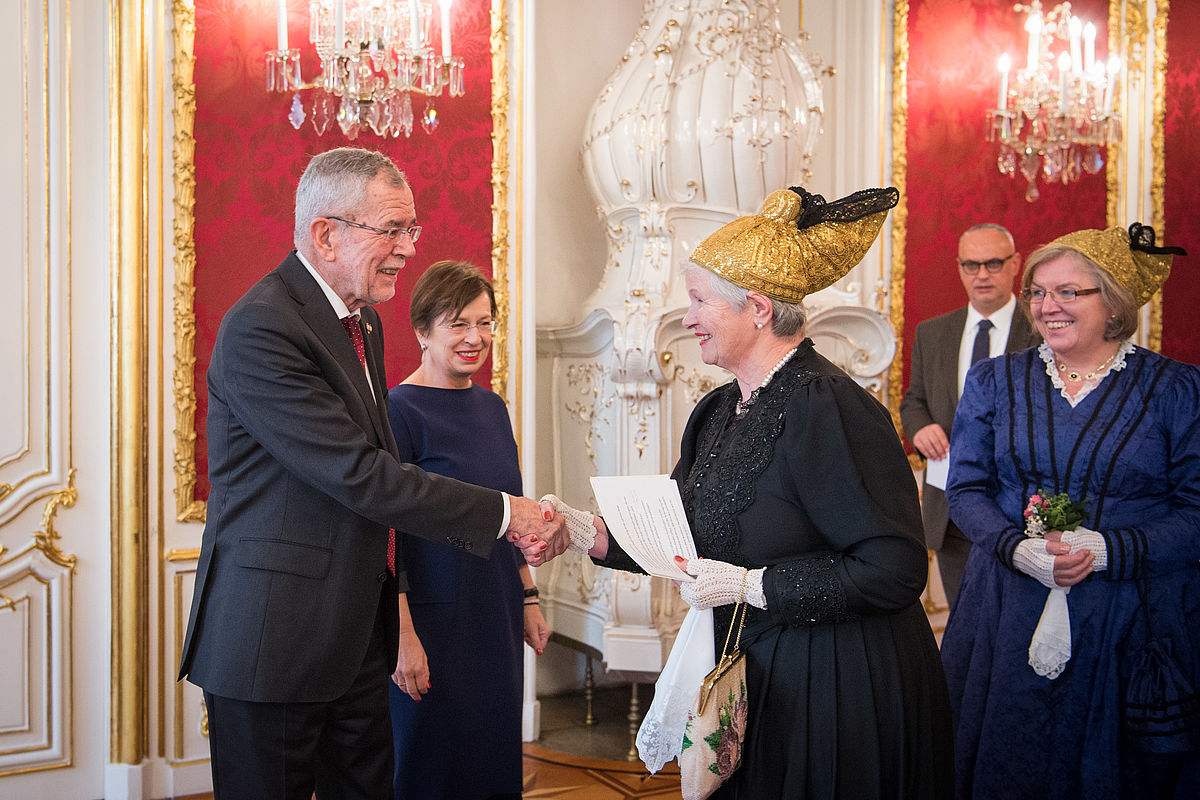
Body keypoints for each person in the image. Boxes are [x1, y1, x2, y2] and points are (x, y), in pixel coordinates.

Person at [541, 187, 955, 798]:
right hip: (753, 675)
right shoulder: (718, 408)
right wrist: (580, 531)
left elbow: (893, 570)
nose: (688, 318)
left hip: (836, 687)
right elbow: (679, 534)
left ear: (757, 308)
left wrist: (749, 585)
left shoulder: (827, 406)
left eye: (700, 300)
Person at [177, 148, 563, 800]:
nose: (409, 249)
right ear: (327, 234)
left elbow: (378, 478)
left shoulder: (364, 321)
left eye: (411, 230)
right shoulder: (263, 328)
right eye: (393, 230)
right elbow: (364, 477)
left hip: (357, 635)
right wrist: (507, 513)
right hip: (276, 642)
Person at [942, 223, 1200, 799]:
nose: (1046, 306)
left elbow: (1195, 508)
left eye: (1068, 292)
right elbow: (966, 491)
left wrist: (1109, 549)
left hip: (1131, 615)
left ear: (1112, 301)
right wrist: (1019, 549)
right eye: (1037, 292)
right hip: (1006, 605)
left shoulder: (1176, 389)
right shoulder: (994, 380)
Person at [386, 261, 550, 800]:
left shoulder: (493, 407)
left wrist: (528, 599)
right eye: (458, 323)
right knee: (431, 766)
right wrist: (402, 636)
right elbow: (389, 538)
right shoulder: (397, 410)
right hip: (432, 622)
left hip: (496, 613)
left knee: (493, 762)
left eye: (484, 323)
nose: (474, 338)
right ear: (422, 331)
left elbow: (513, 514)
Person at [900, 223, 1040, 608]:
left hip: (1021, 502)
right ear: (959, 268)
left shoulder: (1043, 330)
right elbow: (914, 401)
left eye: (993, 263)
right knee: (965, 621)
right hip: (951, 503)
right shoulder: (933, 333)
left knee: (1018, 619)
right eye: (971, 265)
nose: (982, 275)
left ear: (1015, 264)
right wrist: (921, 427)